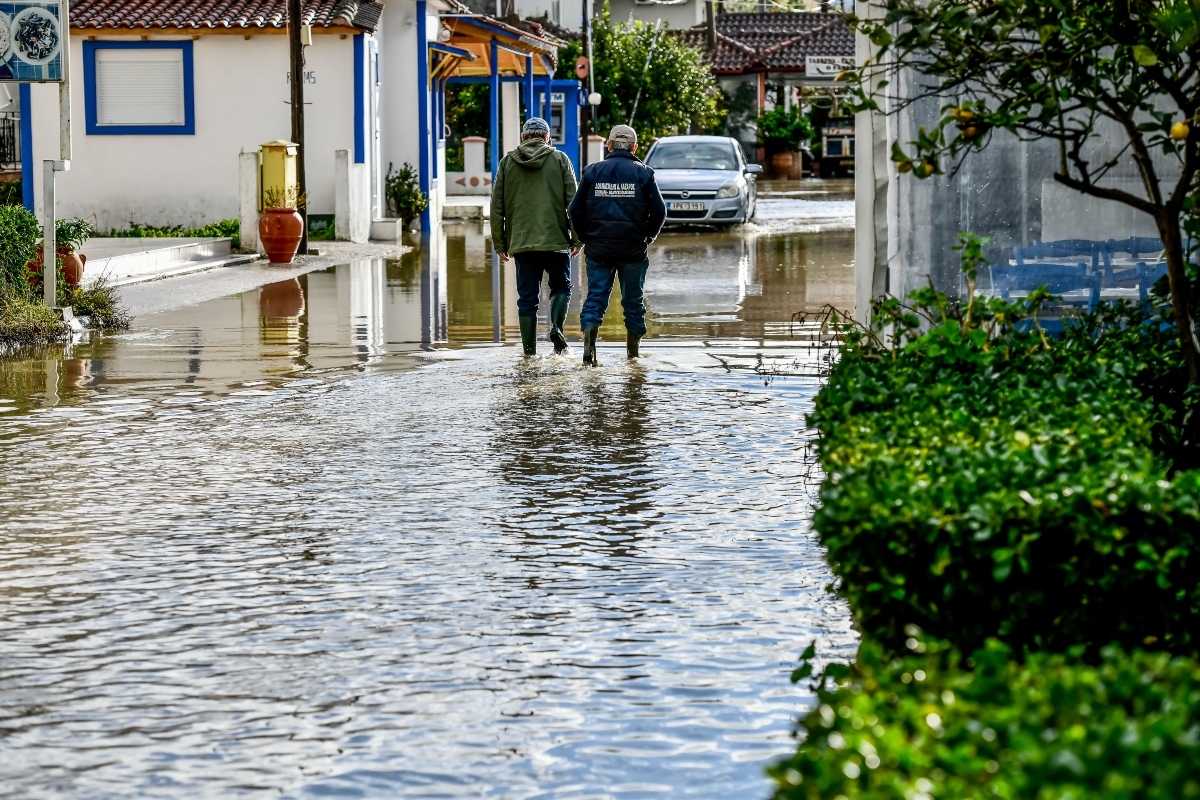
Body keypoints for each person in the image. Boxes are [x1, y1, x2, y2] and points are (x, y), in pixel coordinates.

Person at [568, 124, 666, 366]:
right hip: (633, 249)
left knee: (595, 298)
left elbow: (574, 210)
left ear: (608, 145)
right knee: (633, 302)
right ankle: (633, 356)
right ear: (634, 147)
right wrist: (648, 236)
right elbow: (660, 211)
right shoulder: (644, 174)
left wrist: (584, 236)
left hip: (598, 248)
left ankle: (589, 351)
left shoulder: (592, 172)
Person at [490, 117, 581, 356]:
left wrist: (500, 242)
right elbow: (574, 202)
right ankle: (556, 329)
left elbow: (496, 206)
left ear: (523, 137)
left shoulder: (507, 162)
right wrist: (577, 237)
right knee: (561, 287)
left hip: (521, 242)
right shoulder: (560, 160)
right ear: (546, 137)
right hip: (556, 240)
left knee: (527, 299)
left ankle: (529, 354)